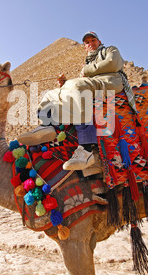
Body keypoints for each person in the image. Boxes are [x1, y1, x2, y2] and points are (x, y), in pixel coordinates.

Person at [18, 31, 134, 171]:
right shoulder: (88, 62)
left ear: (99, 42)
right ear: (84, 47)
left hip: (110, 81)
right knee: (50, 94)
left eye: (93, 40)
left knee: (78, 86)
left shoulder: (110, 50)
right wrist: (65, 83)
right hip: (92, 83)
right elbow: (81, 82)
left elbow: (112, 64)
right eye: (87, 42)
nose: (91, 44)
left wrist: (85, 71)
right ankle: (47, 124)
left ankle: (86, 148)